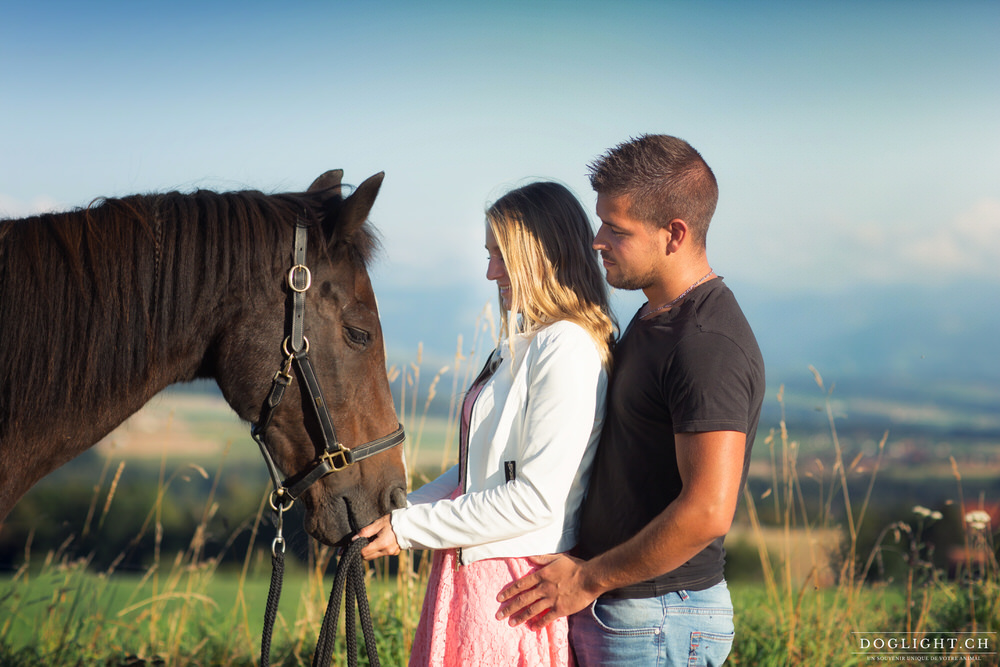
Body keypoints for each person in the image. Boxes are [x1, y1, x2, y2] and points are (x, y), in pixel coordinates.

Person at [496, 135, 765, 667]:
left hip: (660, 615)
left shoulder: (706, 343)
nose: (597, 241)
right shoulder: (654, 318)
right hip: (632, 611)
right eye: (601, 224)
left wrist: (588, 579)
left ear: (675, 234)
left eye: (617, 231)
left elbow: (709, 511)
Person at [356, 181, 615, 666]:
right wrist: (396, 516)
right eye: (489, 253)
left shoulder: (566, 348)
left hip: (512, 589)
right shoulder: (522, 345)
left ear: (542, 255)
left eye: (501, 254)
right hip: (474, 573)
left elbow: (535, 499)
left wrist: (410, 529)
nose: (490, 270)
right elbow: (480, 473)